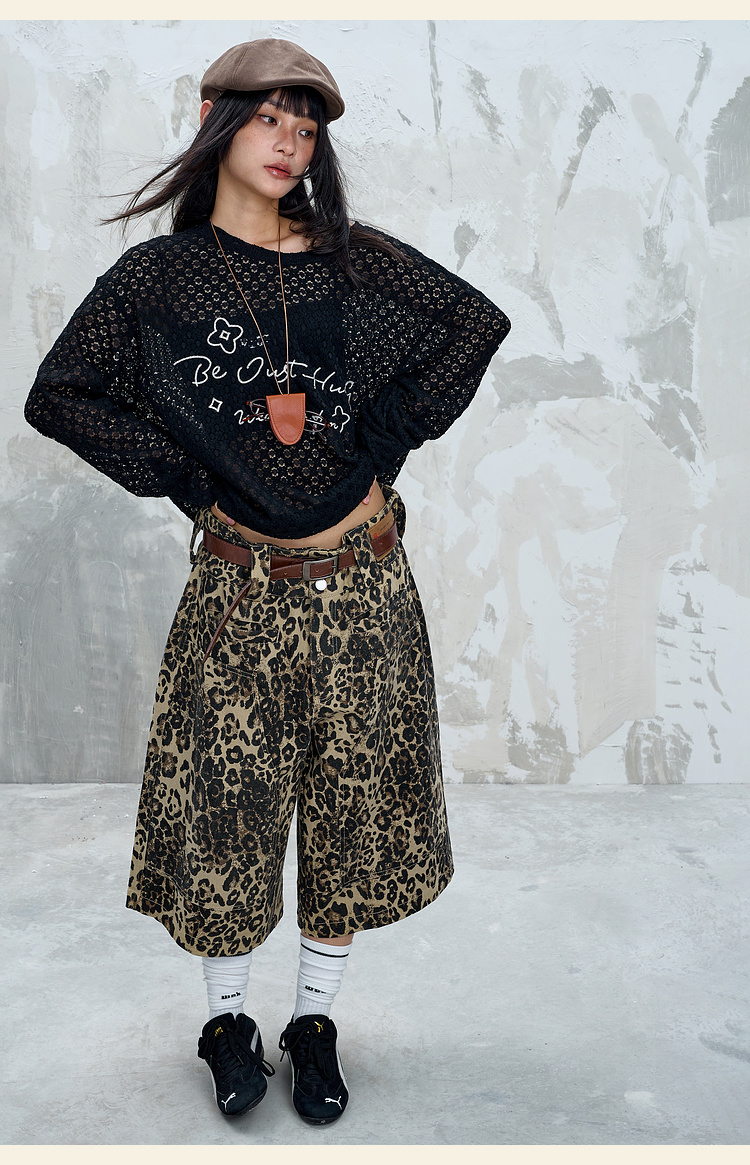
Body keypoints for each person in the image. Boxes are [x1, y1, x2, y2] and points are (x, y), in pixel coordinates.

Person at [24, 37, 511, 1126]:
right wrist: (187, 473)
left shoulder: (352, 262)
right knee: (226, 819)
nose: (291, 141)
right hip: (240, 596)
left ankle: (314, 1025)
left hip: (364, 586)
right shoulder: (157, 281)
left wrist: (380, 442)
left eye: (307, 125)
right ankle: (228, 1024)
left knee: (349, 814)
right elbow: (60, 394)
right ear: (215, 119)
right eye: (268, 117)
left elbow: (474, 325)